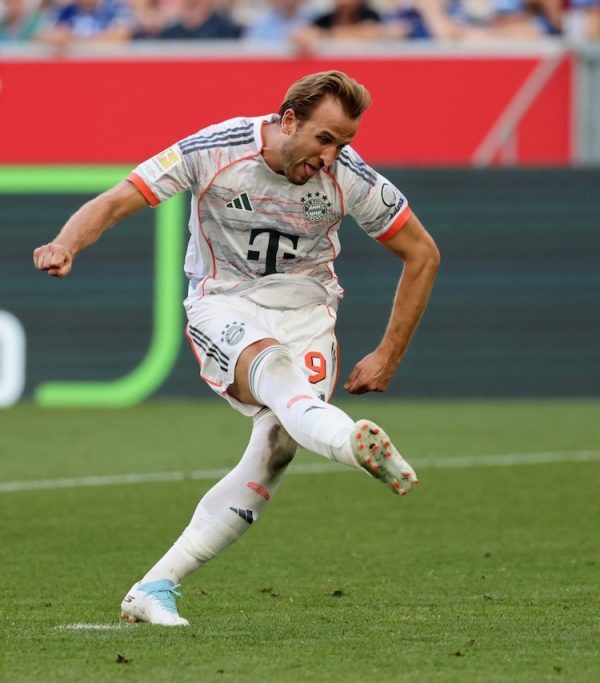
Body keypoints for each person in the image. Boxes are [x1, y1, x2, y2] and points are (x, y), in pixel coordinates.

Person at [32, 70, 441, 626]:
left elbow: (423, 253)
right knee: (274, 368)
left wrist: (389, 354)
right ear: (288, 121)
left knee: (275, 450)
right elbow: (119, 199)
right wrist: (66, 243)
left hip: (308, 314)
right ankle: (350, 443)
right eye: (324, 139)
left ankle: (154, 586)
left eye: (343, 144)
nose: (330, 156)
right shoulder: (213, 150)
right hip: (224, 304)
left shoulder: (349, 177)